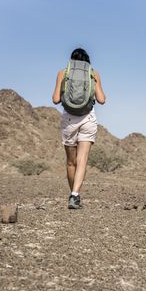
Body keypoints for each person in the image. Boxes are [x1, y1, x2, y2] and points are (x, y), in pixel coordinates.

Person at [52, 48, 105, 209]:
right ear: (87, 61)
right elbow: (101, 99)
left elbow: (55, 99)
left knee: (71, 162)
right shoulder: (93, 73)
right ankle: (74, 196)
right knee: (82, 160)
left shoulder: (63, 72)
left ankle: (73, 195)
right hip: (88, 118)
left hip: (69, 119)